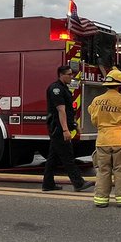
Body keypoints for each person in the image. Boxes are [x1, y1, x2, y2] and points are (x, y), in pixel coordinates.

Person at [87, 68, 121, 208]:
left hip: (102, 140)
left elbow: (92, 116)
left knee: (103, 170)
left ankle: (101, 199)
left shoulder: (97, 100)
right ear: (120, 85)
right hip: (120, 140)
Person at [42, 64, 87, 193]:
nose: (71, 76)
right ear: (61, 75)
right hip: (58, 127)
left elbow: (68, 110)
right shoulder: (56, 89)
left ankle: (48, 184)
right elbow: (61, 110)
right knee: (67, 155)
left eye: (72, 74)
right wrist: (65, 130)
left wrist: (74, 125)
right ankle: (78, 183)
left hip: (60, 126)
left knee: (53, 157)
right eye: (69, 74)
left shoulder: (64, 88)